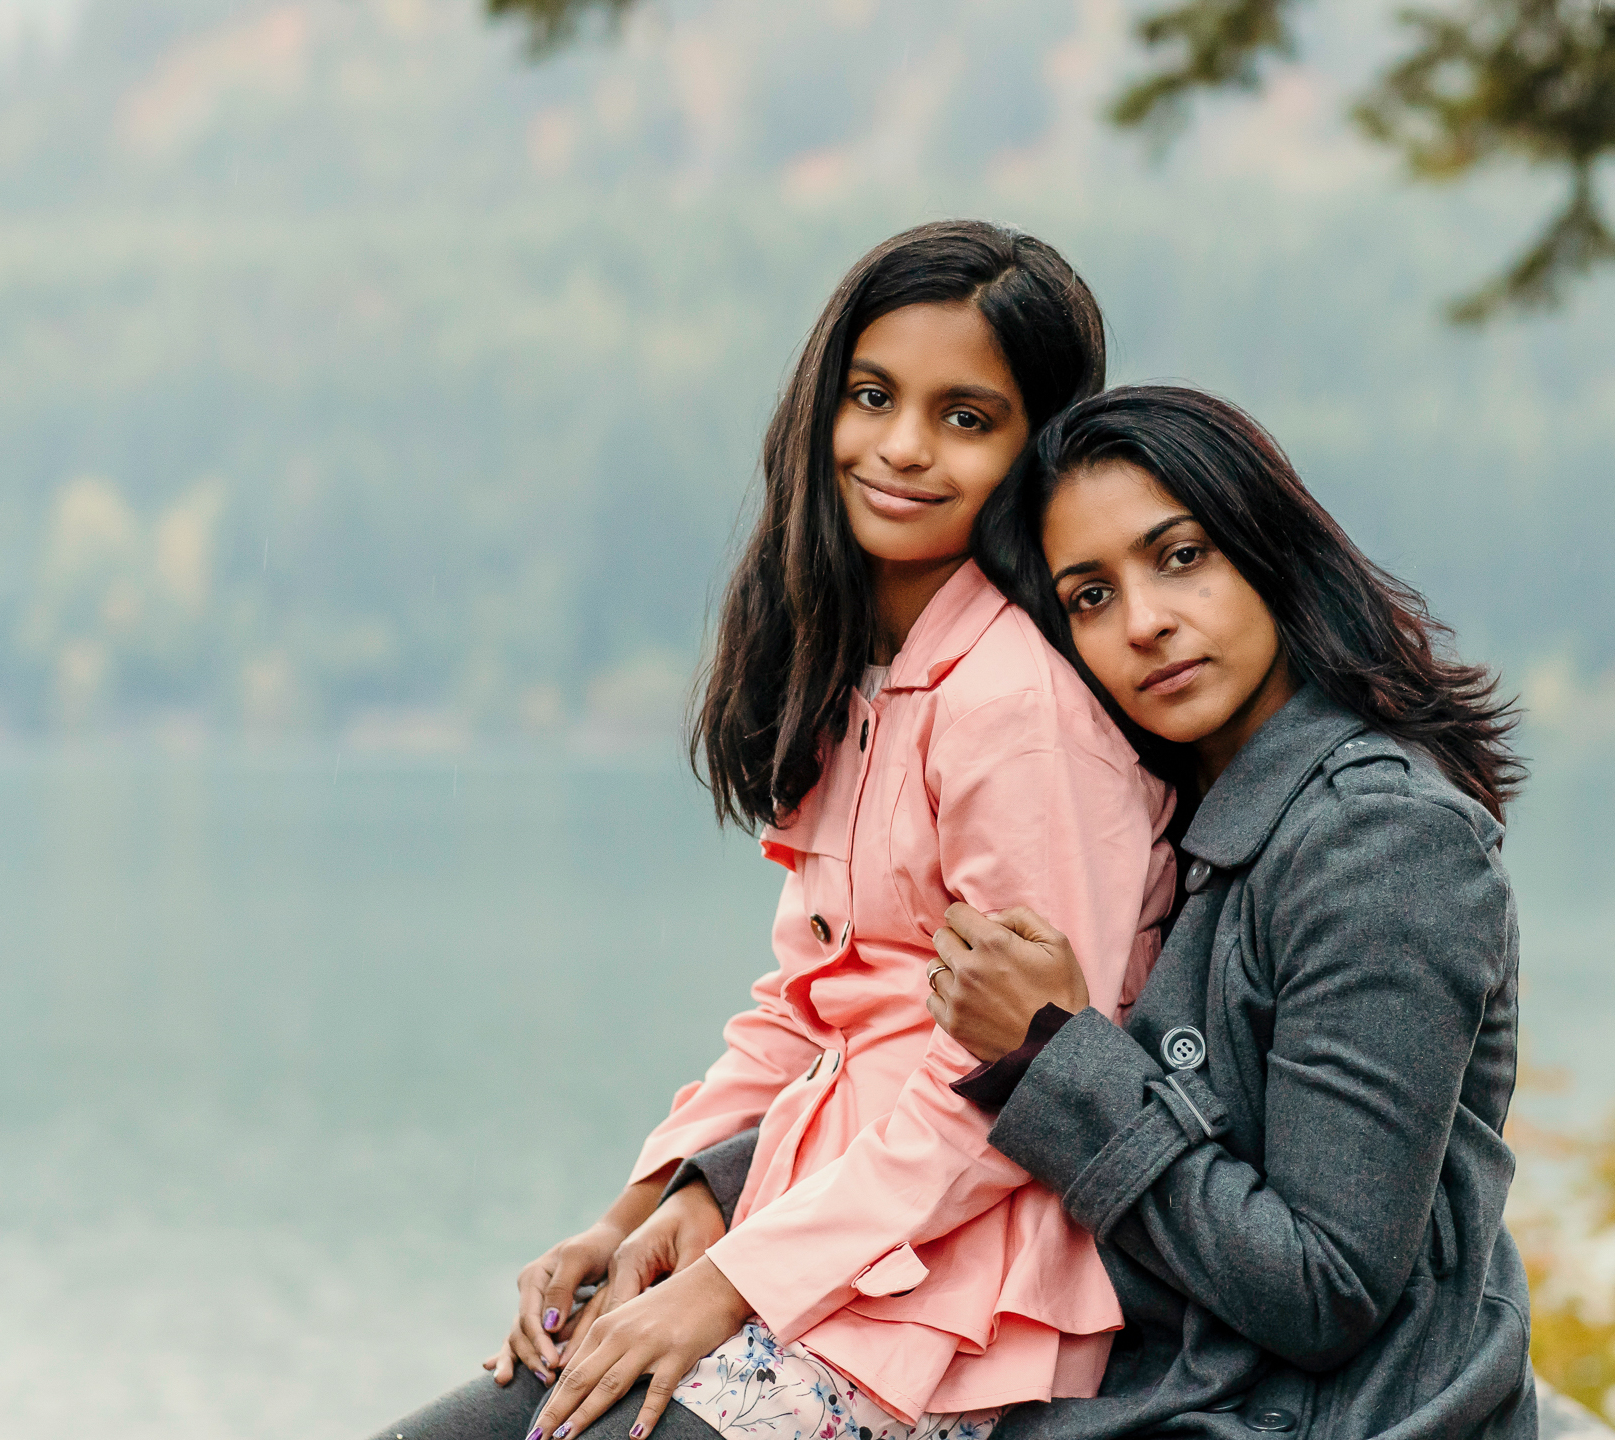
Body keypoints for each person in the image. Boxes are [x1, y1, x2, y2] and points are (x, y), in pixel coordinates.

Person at [369, 224, 1174, 1440]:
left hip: (947, 1302)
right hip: (799, 1234)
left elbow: (1024, 1089)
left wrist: (720, 1287)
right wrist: (630, 1212)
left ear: (1036, 451)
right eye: (871, 396)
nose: (901, 447)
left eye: (968, 417)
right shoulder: (872, 675)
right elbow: (808, 1007)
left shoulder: (1017, 706)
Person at [918, 384, 1539, 1439]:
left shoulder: (1380, 843)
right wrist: (702, 1198)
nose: (1146, 623)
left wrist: (1057, 1052)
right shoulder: (1169, 825)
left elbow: (1325, 1286)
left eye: (1181, 556)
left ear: (1270, 548)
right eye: (1089, 597)